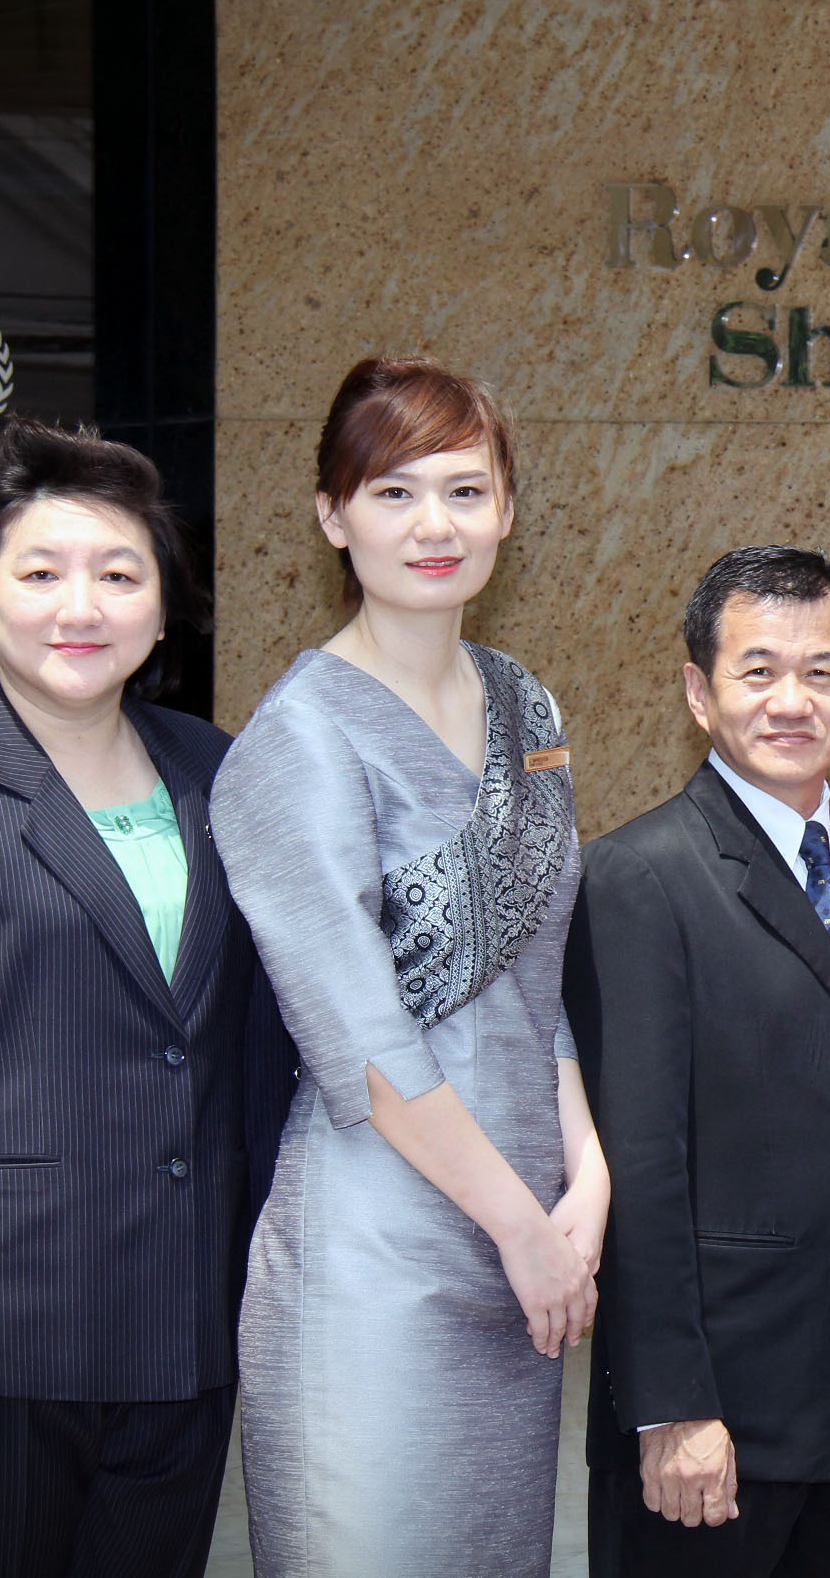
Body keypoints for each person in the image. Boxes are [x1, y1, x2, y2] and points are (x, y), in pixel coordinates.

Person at [0, 420, 261, 1577]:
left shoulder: (218, 771)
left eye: (120, 575)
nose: (82, 606)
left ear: (163, 612)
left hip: (182, 1329)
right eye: (39, 573)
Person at [210, 357, 605, 1577]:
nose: (436, 525)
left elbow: (539, 981)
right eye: (393, 492)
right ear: (333, 516)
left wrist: (589, 1175)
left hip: (523, 1241)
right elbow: (362, 1039)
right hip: (377, 1249)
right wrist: (523, 1226)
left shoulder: (525, 706)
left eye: (465, 491)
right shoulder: (302, 735)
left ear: (508, 511)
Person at [565, 544, 830, 1578]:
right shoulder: (638, 876)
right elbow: (640, 1162)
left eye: (822, 672)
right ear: (699, 693)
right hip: (717, 1426)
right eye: (758, 671)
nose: (792, 700)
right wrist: (671, 1406)